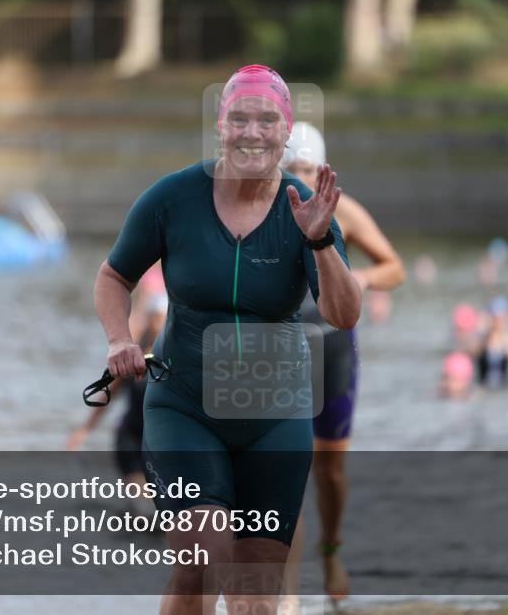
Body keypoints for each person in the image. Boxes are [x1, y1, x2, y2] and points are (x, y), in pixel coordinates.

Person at [93, 65, 361, 615]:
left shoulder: (305, 206)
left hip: (275, 416)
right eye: (239, 118)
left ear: (286, 133)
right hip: (185, 406)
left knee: (256, 598)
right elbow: (113, 276)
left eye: (267, 121)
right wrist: (119, 338)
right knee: (201, 559)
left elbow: (344, 313)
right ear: (221, 126)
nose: (252, 132)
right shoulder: (173, 199)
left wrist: (319, 244)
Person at [281, 121, 405, 603]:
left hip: (333, 350)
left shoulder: (344, 210)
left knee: (329, 472)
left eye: (307, 168)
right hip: (283, 352)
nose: (299, 177)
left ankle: (330, 550)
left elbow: (395, 267)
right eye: (290, 168)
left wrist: (363, 281)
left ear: (322, 169)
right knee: (284, 472)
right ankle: (287, 595)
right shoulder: (264, 211)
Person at [68, 263, 168, 512]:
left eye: (164, 318)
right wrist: (83, 430)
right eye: (156, 318)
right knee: (144, 514)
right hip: (131, 442)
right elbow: (107, 393)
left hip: (165, 445)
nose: (159, 323)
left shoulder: (179, 362)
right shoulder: (133, 357)